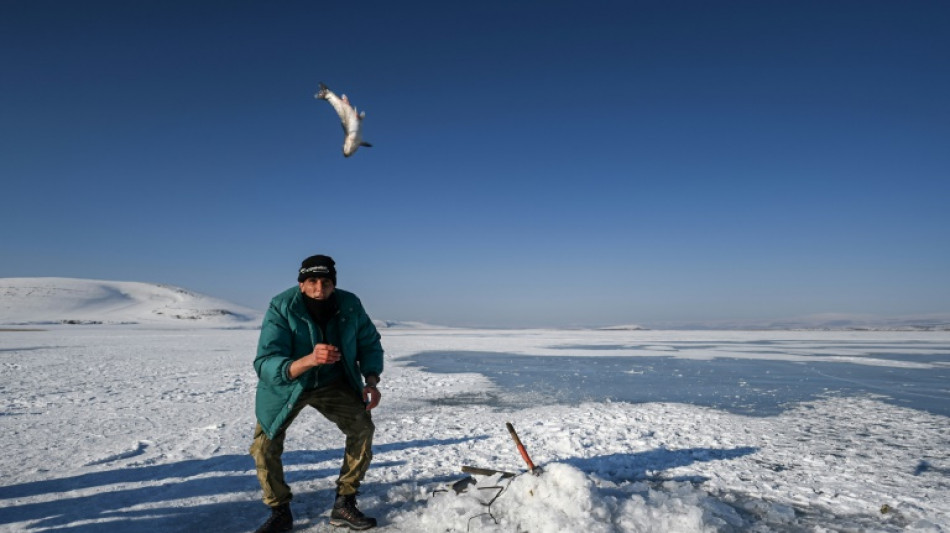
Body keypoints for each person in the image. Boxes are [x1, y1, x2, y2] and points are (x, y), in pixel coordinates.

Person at [250, 254, 384, 532]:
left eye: (325, 282)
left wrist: (371, 380)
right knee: (264, 446)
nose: (319, 288)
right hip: (288, 384)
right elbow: (265, 362)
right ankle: (279, 512)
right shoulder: (282, 306)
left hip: (333, 382)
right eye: (312, 281)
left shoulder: (349, 304)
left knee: (362, 429)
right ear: (301, 284)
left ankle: (344, 503)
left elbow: (369, 341)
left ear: (333, 284)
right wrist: (308, 360)